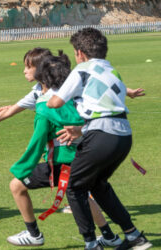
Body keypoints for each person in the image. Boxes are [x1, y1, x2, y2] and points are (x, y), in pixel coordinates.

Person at [0, 48, 123, 247]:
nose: (24, 71)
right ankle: (109, 236)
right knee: (79, 192)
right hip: (84, 154)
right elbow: (11, 111)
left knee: (16, 185)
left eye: (28, 66)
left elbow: (37, 141)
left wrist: (21, 168)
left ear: (41, 70)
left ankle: (34, 234)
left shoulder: (47, 103)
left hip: (65, 158)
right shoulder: (46, 92)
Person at [47, 28, 152, 250]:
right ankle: (133, 236)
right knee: (97, 185)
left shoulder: (82, 69)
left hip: (102, 135)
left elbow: (54, 103)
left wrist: (49, 98)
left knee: (74, 186)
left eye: (75, 53)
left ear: (80, 54)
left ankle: (91, 243)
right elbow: (113, 96)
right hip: (123, 135)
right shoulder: (112, 70)